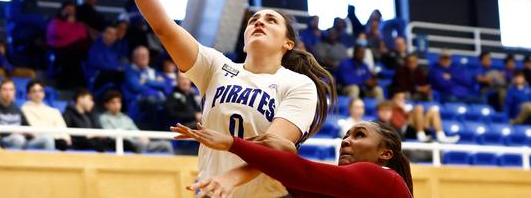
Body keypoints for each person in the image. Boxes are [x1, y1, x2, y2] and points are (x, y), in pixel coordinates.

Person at [112, 0, 336, 197]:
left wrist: (230, 178)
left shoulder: (298, 85)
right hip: (211, 192)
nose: (259, 22)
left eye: (270, 20)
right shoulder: (216, 67)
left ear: (287, 44)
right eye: (254, 20)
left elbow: (275, 148)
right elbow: (164, 27)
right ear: (243, 41)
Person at [172, 121, 413, 198]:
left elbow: (302, 174)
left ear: (386, 153)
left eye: (359, 135)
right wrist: (285, 152)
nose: (345, 141)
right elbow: (297, 183)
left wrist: (232, 143)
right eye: (345, 135)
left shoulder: (384, 178)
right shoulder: (353, 189)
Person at [99, 90, 174, 154]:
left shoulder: (125, 118)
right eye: (113, 102)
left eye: (118, 102)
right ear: (106, 105)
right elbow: (111, 136)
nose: (116, 105)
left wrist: (142, 136)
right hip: (124, 144)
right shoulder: (103, 118)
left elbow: (136, 131)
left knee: (167, 144)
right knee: (139, 144)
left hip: (138, 142)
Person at [0, 79, 54, 150]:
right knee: (18, 139)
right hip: (4, 141)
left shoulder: (17, 109)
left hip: (23, 141)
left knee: (47, 138)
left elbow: (27, 127)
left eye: (11, 89)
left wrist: (30, 133)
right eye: (5, 89)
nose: (8, 93)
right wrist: (11, 133)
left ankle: (48, 161)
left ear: (14, 92)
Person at [122, 46, 167, 129]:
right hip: (139, 105)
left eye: (146, 55)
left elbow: (164, 85)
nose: (144, 57)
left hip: (156, 103)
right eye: (141, 55)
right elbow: (136, 87)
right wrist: (155, 84)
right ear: (134, 58)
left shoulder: (152, 71)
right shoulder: (130, 71)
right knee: (151, 100)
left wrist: (146, 81)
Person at [46, 1, 90, 88]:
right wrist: (69, 25)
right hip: (59, 51)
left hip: (77, 53)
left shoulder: (80, 24)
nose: (70, 13)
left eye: (72, 10)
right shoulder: (55, 22)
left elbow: (82, 36)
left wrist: (70, 35)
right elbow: (58, 35)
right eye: (68, 10)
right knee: (68, 59)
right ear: (62, 10)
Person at [389, 92, 459, 143]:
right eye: (399, 98)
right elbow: (398, 125)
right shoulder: (390, 109)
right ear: (394, 99)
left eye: (403, 98)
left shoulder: (406, 108)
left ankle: (441, 136)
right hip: (405, 132)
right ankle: (420, 135)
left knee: (434, 110)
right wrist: (402, 109)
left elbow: (412, 118)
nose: (402, 100)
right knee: (418, 108)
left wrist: (406, 111)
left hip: (416, 127)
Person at [21, 80, 71, 150]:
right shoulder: (24, 109)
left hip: (58, 141)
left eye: (40, 91)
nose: (38, 94)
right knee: (48, 140)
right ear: (28, 95)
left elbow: (63, 129)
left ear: (44, 93)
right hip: (38, 141)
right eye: (34, 91)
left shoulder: (54, 111)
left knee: (64, 143)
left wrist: (65, 138)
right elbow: (35, 131)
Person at [85, 25, 126, 89]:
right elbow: (100, 64)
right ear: (103, 34)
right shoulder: (95, 48)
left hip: (111, 77)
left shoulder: (114, 49)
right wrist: (118, 68)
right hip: (97, 78)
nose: (112, 36)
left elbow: (121, 63)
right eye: (110, 33)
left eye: (115, 34)